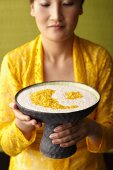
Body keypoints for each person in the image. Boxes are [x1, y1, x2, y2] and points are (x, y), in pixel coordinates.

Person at [0, 0, 113, 169]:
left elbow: (109, 139)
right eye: (45, 4)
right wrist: (22, 124)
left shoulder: (99, 59)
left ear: (81, 7)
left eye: (67, 3)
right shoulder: (14, 63)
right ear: (32, 8)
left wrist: (90, 128)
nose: (56, 16)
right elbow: (7, 146)